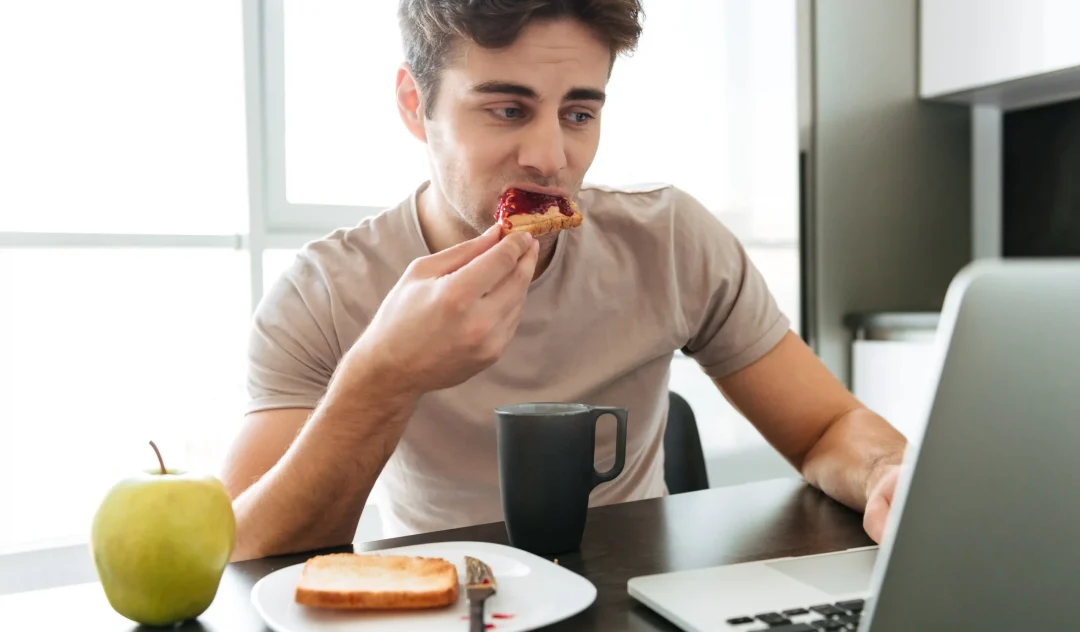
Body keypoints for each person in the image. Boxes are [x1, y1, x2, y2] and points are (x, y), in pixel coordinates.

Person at [221, 0, 907, 562]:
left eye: (579, 113)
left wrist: (885, 475)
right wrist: (386, 370)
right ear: (413, 104)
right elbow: (243, 551)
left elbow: (829, 425)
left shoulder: (670, 243)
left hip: (639, 619)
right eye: (507, 110)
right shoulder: (324, 293)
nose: (550, 158)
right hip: (440, 627)